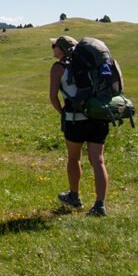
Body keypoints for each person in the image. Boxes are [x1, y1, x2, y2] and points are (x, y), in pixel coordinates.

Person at [49, 35, 110, 216]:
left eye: (54, 46)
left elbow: (53, 97)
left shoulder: (58, 68)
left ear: (62, 49)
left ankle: (74, 196)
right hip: (98, 116)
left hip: (75, 118)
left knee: (74, 158)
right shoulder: (93, 65)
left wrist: (63, 113)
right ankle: (100, 205)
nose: (52, 48)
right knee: (98, 160)